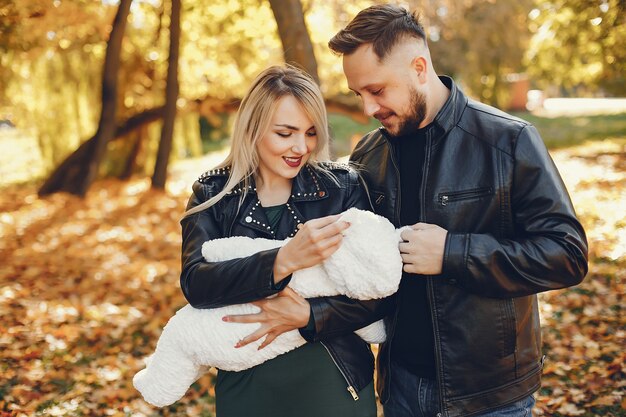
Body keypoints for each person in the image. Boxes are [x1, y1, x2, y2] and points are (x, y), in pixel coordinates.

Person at [329, 5, 588, 417]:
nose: (367, 109)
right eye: (358, 94)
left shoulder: (509, 141)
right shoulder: (368, 153)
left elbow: (567, 255)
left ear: (419, 68)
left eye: (377, 90)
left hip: (489, 396)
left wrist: (453, 253)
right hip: (399, 389)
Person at [179, 65, 387, 417]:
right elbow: (196, 285)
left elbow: (379, 292)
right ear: (253, 128)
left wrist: (309, 315)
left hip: (334, 387)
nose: (300, 147)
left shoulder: (342, 188)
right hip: (247, 391)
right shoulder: (214, 193)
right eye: (285, 133)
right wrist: (282, 260)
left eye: (309, 133)